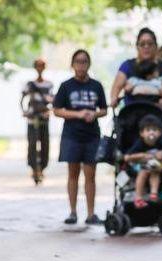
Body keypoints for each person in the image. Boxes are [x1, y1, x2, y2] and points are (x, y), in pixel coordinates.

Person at [53, 50, 107, 225]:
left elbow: (104, 109)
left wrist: (94, 114)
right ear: (72, 64)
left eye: (84, 62)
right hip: (72, 135)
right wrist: (78, 114)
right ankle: (73, 212)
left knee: (91, 175)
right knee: (73, 174)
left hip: (91, 135)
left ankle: (91, 214)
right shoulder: (66, 86)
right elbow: (57, 110)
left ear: (89, 64)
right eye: (78, 62)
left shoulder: (96, 86)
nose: (81, 65)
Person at [110, 27, 162, 110]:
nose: (146, 47)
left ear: (156, 46)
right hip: (131, 112)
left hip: (156, 113)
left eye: (150, 44)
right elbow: (116, 88)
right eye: (142, 44)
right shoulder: (127, 65)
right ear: (137, 47)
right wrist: (114, 99)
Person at [123, 114, 162, 209]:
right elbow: (127, 157)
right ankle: (138, 197)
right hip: (139, 166)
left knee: (155, 172)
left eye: (154, 130)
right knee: (144, 172)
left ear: (159, 132)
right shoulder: (139, 143)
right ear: (142, 133)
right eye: (148, 130)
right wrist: (142, 155)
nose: (152, 133)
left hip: (155, 166)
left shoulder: (160, 142)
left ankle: (153, 194)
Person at [21, 58, 53, 184]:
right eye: (38, 66)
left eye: (42, 66)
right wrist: (25, 112)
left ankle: (42, 168)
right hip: (32, 118)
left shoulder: (49, 84)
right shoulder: (29, 84)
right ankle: (34, 169)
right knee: (32, 145)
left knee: (45, 145)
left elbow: (53, 100)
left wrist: (48, 110)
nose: (40, 68)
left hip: (44, 119)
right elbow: (22, 99)